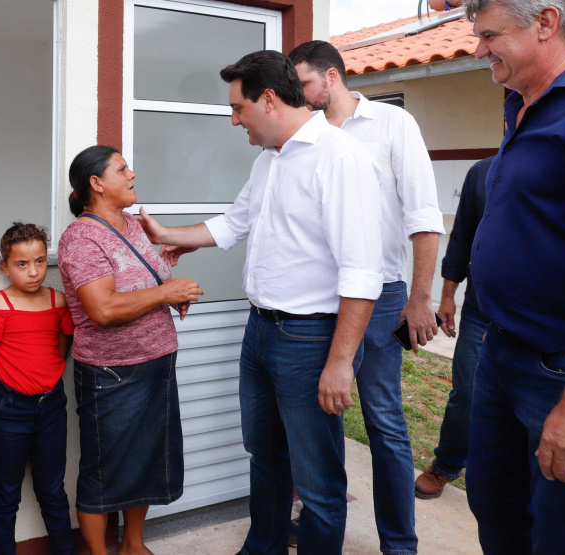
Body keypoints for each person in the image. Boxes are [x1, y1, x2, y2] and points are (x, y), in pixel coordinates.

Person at [138, 50, 383, 554]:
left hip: (311, 339)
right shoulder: (269, 160)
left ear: (268, 99)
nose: (233, 120)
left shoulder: (340, 158)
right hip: (262, 332)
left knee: (316, 479)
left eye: (237, 107)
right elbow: (236, 221)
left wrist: (340, 362)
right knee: (265, 457)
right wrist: (168, 233)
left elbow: (362, 273)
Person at [464, 0, 565, 552]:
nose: (479, 50)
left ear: (546, 23)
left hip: (564, 367)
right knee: (497, 506)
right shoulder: (521, 105)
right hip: (500, 352)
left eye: (489, 36)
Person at [287, 41, 444, 554]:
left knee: (383, 421)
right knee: (317, 413)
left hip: (378, 297)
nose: (299, 93)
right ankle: (317, 522)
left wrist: (420, 297)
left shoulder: (391, 126)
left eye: (304, 83)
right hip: (316, 301)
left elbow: (423, 216)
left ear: (331, 77)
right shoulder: (303, 133)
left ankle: (400, 545)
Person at [57, 145, 202, 555]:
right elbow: (102, 309)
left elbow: (142, 285)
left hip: (156, 364)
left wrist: (171, 295)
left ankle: (133, 545)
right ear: (97, 184)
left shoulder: (132, 225)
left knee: (145, 462)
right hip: (113, 373)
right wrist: (164, 292)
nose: (132, 174)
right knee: (105, 471)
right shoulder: (81, 238)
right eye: (122, 169)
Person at [0, 222, 76, 555]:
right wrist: (2, 393)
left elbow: (61, 349)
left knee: (52, 490)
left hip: (51, 409)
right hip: (8, 411)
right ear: (5, 267)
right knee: (5, 494)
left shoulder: (58, 300)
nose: (33, 272)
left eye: (40, 261)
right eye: (21, 264)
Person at [414, 156, 493, 499]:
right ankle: (447, 465)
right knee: (467, 395)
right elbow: (461, 240)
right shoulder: (483, 172)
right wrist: (447, 297)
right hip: (479, 310)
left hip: (543, 317)